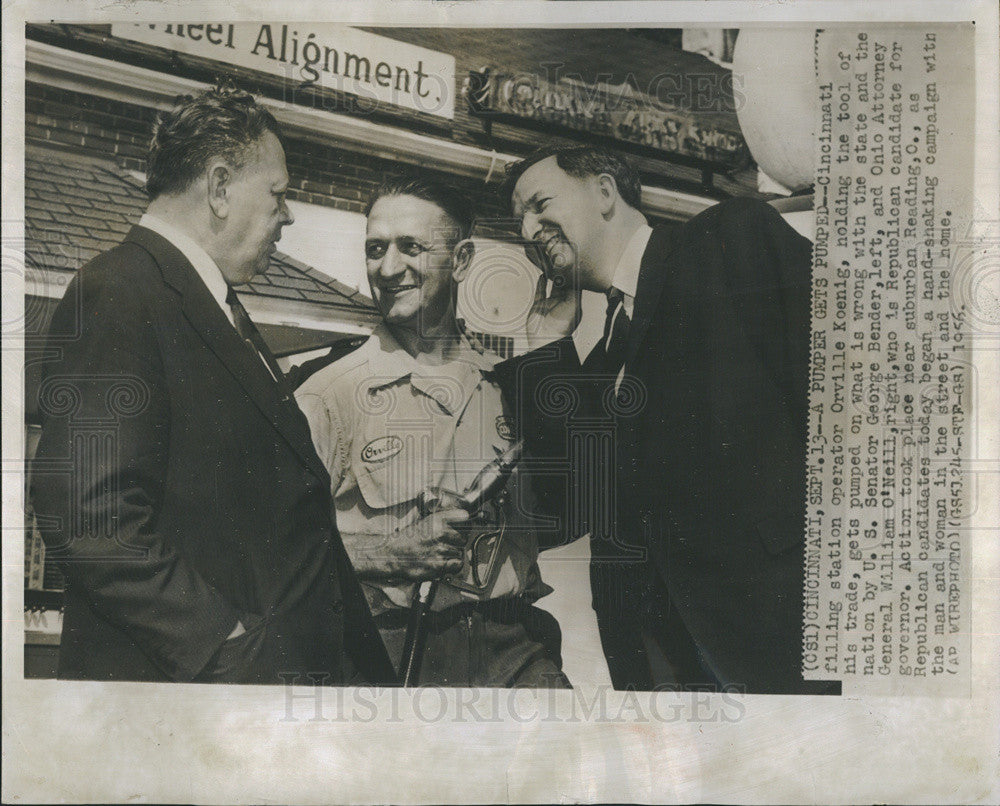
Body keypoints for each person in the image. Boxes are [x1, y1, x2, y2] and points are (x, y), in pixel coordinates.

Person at [30, 83, 395, 686]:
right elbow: (87, 515)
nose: (290, 214)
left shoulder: (207, 302)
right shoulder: (120, 291)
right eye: (278, 194)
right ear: (221, 187)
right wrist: (225, 644)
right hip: (202, 701)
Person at [495, 145, 839, 694]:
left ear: (605, 192)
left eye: (539, 204)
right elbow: (571, 507)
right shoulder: (605, 354)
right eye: (520, 221)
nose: (528, 229)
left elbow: (851, 391)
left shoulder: (729, 238)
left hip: (774, 633)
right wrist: (545, 350)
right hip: (655, 662)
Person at [296, 174, 569, 687]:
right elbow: (267, 550)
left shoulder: (511, 384)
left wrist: (549, 352)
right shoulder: (328, 394)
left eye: (411, 248)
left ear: (462, 261)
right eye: (375, 248)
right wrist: (385, 555)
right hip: (392, 654)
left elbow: (570, 513)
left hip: (514, 652)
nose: (388, 268)